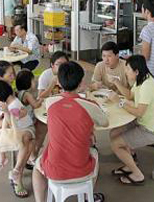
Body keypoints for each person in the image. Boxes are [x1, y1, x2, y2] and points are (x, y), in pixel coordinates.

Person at [32, 61, 108, 202]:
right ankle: (87, 196)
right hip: (81, 169)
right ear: (80, 84)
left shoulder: (50, 103)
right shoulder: (90, 105)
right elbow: (104, 122)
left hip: (54, 169)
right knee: (95, 153)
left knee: (37, 169)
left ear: (59, 83)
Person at [109, 55, 154, 185]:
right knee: (113, 133)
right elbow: (130, 95)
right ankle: (130, 163)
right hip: (143, 122)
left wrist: (119, 103)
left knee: (115, 144)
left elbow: (139, 112)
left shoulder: (148, 86)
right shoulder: (141, 80)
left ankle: (137, 174)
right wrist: (116, 82)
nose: (126, 72)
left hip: (152, 129)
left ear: (136, 71)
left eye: (128, 69)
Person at [0, 80, 35, 198]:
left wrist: (6, 112)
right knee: (25, 143)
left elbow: (11, 122)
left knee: (24, 141)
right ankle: (6, 164)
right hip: (19, 130)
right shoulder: (10, 103)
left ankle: (16, 170)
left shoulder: (13, 104)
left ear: (0, 93)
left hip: (26, 129)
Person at [16, 69, 45, 163]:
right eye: (33, 80)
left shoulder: (20, 92)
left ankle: (32, 154)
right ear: (27, 82)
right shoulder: (27, 94)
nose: (35, 81)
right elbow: (35, 105)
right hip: (28, 122)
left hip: (22, 121)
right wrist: (41, 99)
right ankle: (32, 157)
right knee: (35, 135)